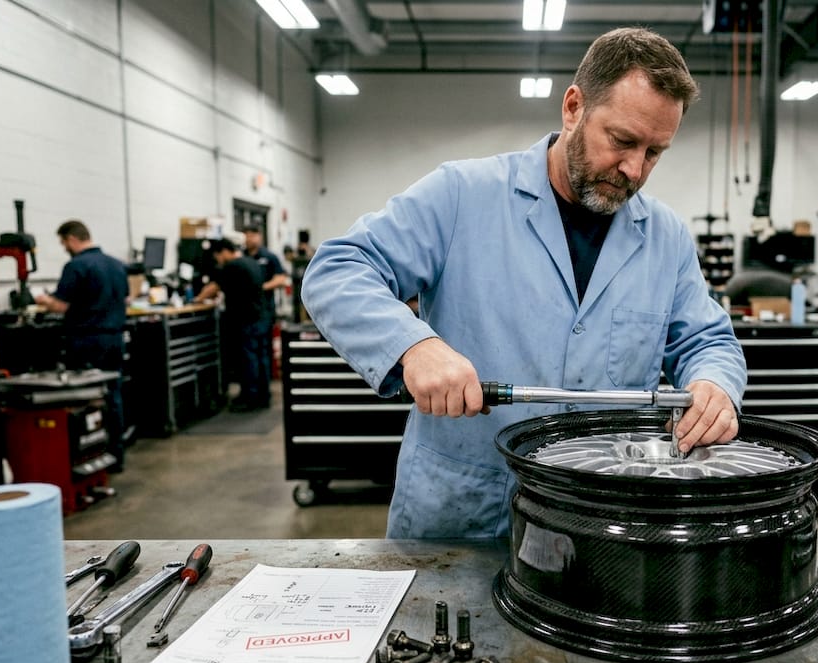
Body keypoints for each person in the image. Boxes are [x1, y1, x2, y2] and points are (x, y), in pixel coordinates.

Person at [301, 27, 747, 539]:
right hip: (461, 516)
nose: (633, 169)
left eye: (654, 153)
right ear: (574, 107)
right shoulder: (462, 195)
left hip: (600, 525)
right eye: (622, 141)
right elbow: (339, 267)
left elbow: (706, 339)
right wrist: (414, 346)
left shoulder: (664, 237)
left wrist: (714, 384)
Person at [34, 220, 130, 472]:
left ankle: (89, 457)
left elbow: (61, 305)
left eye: (64, 242)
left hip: (87, 340)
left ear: (72, 239)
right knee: (114, 395)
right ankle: (115, 457)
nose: (64, 247)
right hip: (114, 338)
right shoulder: (117, 264)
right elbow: (126, 298)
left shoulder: (76, 265)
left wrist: (42, 300)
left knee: (86, 399)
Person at [195, 238, 270, 411]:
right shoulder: (251, 262)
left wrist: (198, 299)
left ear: (224, 252)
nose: (218, 260)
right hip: (260, 316)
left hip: (246, 319)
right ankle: (263, 396)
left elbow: (214, 287)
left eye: (218, 256)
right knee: (261, 358)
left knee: (248, 359)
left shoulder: (232, 266)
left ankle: (249, 398)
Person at [241, 224, 289, 381]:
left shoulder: (269, 257)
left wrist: (261, 287)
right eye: (247, 235)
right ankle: (251, 391)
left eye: (252, 235)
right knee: (248, 353)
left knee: (263, 351)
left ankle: (263, 391)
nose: (249, 238)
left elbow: (281, 279)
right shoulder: (242, 256)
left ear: (259, 236)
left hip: (264, 311)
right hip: (246, 312)